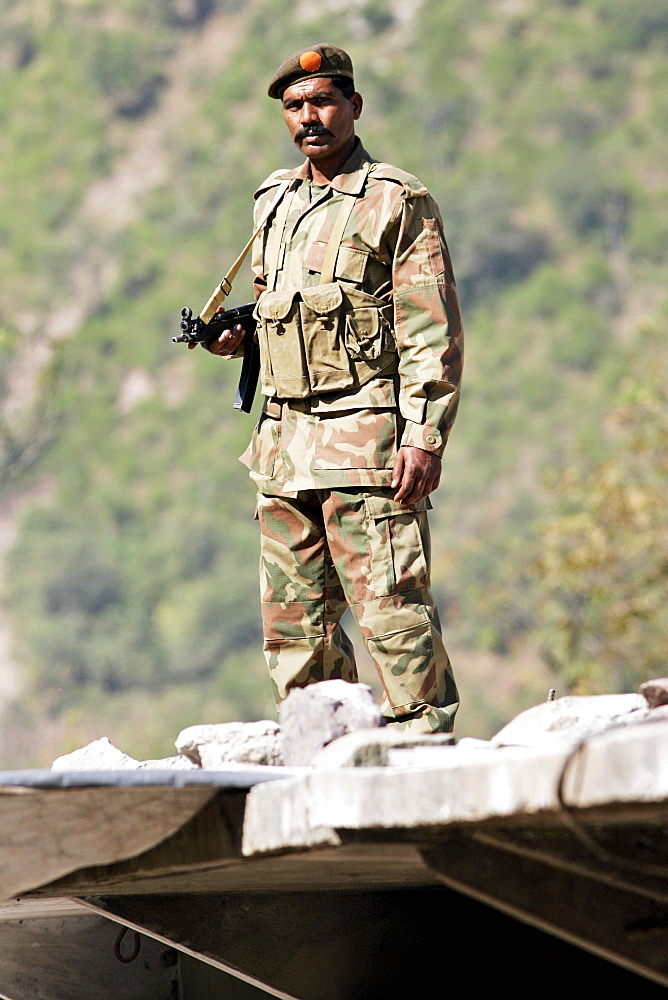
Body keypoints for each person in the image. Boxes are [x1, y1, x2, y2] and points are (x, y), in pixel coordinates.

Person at [206, 43, 463, 732]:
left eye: (322, 102)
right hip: (284, 448)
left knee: (391, 607)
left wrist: (425, 438)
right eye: (295, 107)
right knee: (295, 627)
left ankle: (425, 745)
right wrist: (241, 340)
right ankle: (326, 749)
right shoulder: (275, 200)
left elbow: (429, 330)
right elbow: (281, 312)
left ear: (354, 106)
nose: (308, 118)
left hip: (368, 441)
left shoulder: (395, 202)